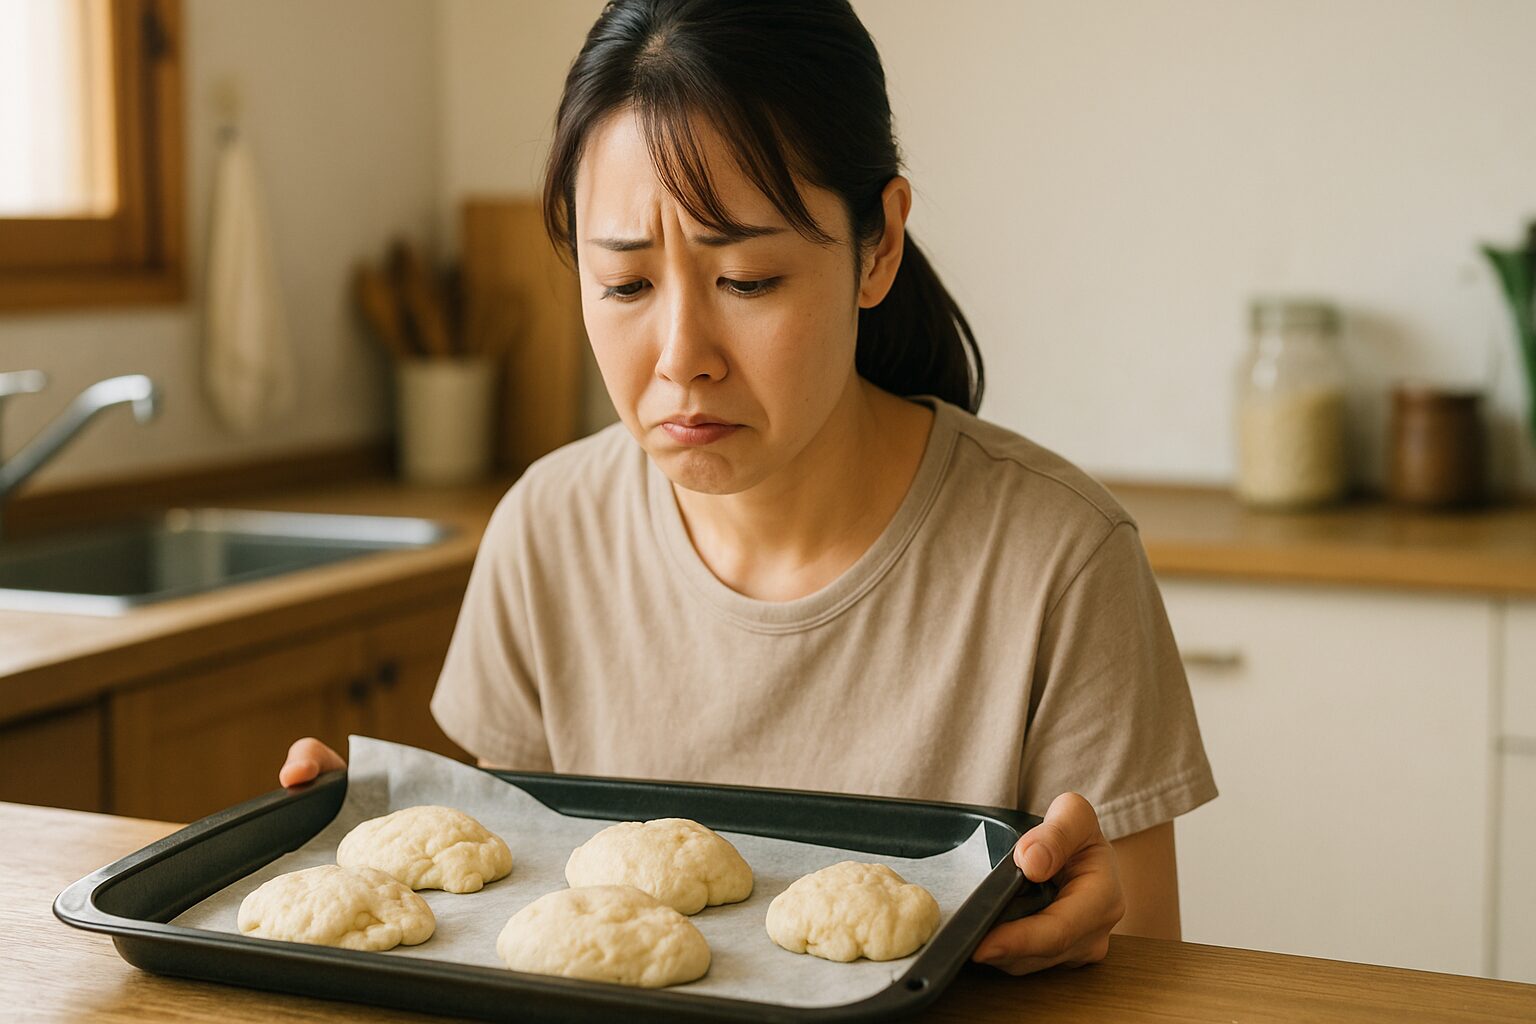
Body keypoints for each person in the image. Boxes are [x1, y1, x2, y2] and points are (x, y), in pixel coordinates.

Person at [281, 0, 1216, 976]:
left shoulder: (1059, 563)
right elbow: (520, 908)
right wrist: (361, 843)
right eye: (628, 285)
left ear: (879, 244)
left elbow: (1148, 971)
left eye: (750, 280)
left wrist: (1087, 938)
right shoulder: (546, 533)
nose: (683, 359)